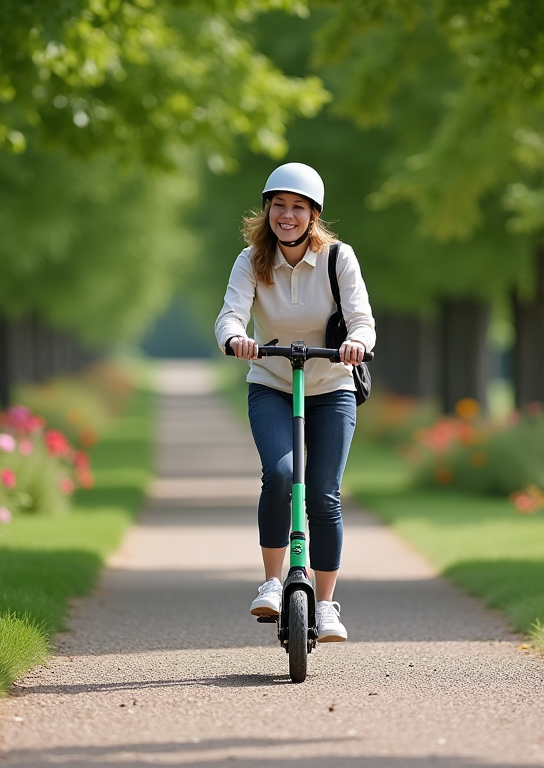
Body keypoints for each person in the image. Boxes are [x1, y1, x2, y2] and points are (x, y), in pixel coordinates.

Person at [214, 162, 376, 643]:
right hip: (272, 382)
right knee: (283, 474)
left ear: (313, 215)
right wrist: (237, 339)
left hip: (330, 386)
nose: (287, 215)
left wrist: (357, 343)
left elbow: (362, 318)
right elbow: (229, 315)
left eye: (298, 208)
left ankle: (325, 605)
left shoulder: (338, 259)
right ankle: (270, 579)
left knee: (324, 494)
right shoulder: (250, 261)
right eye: (279, 206)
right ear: (267, 211)